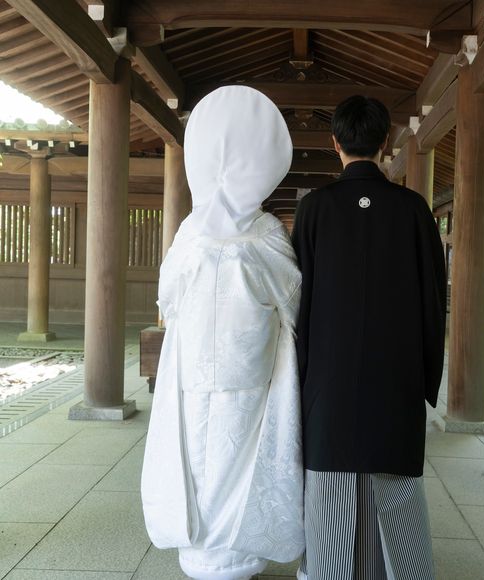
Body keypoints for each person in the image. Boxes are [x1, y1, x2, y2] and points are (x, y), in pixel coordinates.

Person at [141, 86, 305, 580]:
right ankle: (238, 558)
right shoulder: (267, 232)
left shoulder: (191, 231)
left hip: (194, 363)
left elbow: (167, 298)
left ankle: (201, 556)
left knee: (195, 455)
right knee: (242, 458)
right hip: (250, 365)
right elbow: (293, 300)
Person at [292, 95, 446, 580]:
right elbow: (432, 300)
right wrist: (425, 378)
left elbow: (298, 303)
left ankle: (330, 569)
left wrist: (299, 377)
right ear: (385, 143)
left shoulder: (314, 209)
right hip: (395, 376)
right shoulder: (413, 209)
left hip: (328, 380)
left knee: (330, 490)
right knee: (396, 485)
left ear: (334, 143)